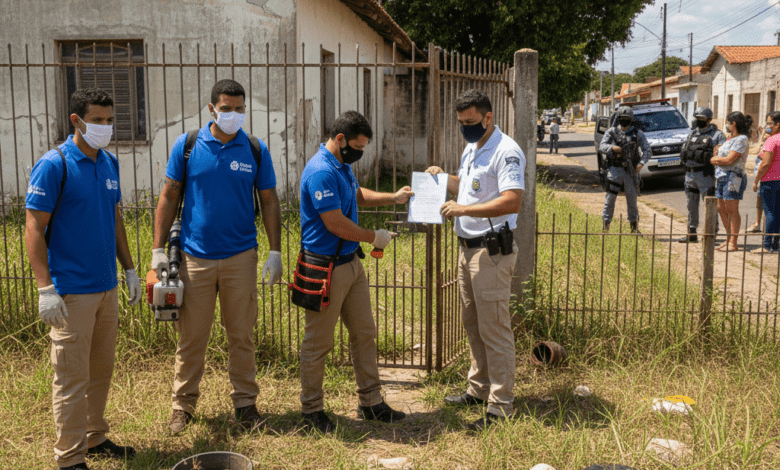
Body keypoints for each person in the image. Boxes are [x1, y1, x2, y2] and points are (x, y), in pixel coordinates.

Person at [152, 79, 282, 434]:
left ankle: (245, 403)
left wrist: (274, 250)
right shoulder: (190, 145)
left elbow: (269, 200)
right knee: (192, 337)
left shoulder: (254, 149)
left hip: (241, 256)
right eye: (226, 109)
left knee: (241, 335)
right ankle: (183, 407)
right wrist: (158, 249)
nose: (233, 115)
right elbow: (169, 193)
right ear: (212, 109)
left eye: (239, 109)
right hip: (195, 257)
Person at [25, 88, 141, 470]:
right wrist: (46, 289)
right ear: (76, 120)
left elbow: (116, 218)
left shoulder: (108, 163)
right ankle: (69, 458)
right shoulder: (54, 164)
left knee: (100, 372)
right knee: (72, 379)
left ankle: (94, 437)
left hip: (107, 288)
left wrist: (129, 269)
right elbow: (33, 229)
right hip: (71, 293)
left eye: (109, 120)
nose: (105, 127)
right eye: (97, 120)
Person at [296, 110, 411, 433]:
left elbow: (356, 195)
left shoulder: (341, 166)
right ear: (340, 139)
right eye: (357, 147)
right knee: (318, 343)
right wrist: (373, 236)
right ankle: (311, 410)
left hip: (350, 264)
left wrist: (394, 197)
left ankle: (371, 403)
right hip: (324, 267)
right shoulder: (320, 171)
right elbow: (335, 222)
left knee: (364, 334)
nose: (359, 153)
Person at [425, 89, 525, 431]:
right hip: (467, 248)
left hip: (491, 251)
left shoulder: (506, 151)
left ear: (488, 118)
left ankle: (500, 405)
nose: (465, 128)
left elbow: (512, 201)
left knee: (494, 328)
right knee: (473, 324)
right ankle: (479, 389)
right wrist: (444, 180)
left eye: (470, 122)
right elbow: (467, 188)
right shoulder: (473, 147)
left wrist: (464, 209)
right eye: (461, 123)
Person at [676, 107, 726, 243]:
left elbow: (722, 152)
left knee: (709, 205)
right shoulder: (692, 133)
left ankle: (711, 234)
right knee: (691, 205)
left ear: (709, 120)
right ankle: (691, 233)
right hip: (690, 175)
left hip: (706, 175)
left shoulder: (717, 135)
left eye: (702, 119)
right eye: (697, 118)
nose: (699, 121)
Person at [599, 106, 652, 233]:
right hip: (615, 170)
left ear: (631, 119)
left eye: (626, 119)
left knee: (632, 200)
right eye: (621, 118)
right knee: (610, 199)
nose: (624, 121)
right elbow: (601, 146)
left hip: (631, 172)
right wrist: (612, 148)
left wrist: (641, 164)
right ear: (618, 119)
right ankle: (605, 227)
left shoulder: (637, 134)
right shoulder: (611, 132)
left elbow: (647, 151)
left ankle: (634, 228)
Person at [711, 111, 752, 252]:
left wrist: (715, 160)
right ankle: (728, 238)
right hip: (722, 176)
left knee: (732, 209)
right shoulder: (729, 139)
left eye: (728, 122)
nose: (727, 125)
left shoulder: (741, 139)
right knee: (721, 208)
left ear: (733, 123)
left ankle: (733, 242)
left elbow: (729, 159)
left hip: (734, 177)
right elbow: (719, 155)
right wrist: (717, 157)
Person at [752, 111, 780, 253]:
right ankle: (775, 244)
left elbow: (765, 163)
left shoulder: (772, 140)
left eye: (770, 123)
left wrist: (756, 180)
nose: (768, 126)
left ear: (777, 125)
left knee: (769, 213)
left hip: (769, 180)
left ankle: (767, 245)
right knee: (777, 212)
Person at [747, 127, 771, 233]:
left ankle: (768, 226)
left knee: (769, 203)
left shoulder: (773, 143)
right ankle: (758, 223)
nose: (766, 133)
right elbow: (756, 152)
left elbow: (766, 162)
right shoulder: (763, 143)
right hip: (760, 174)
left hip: (769, 176)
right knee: (759, 199)